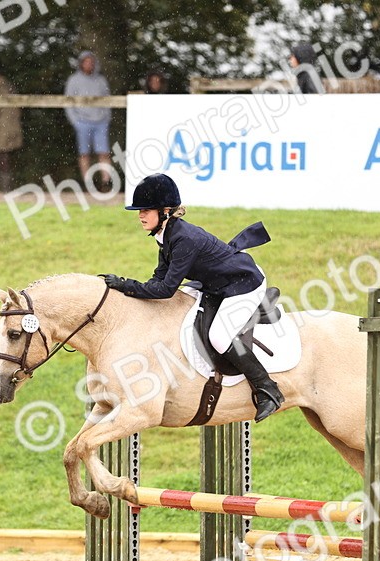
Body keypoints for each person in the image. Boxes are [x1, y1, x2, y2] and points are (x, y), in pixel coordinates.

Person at [99, 174, 285, 422]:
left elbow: (165, 290)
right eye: (139, 210)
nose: (140, 215)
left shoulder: (183, 238)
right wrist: (130, 291)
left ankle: (267, 390)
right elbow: (159, 278)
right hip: (216, 285)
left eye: (146, 210)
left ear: (165, 211)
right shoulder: (166, 235)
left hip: (243, 284)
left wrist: (125, 285)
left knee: (219, 336)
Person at [64, 50, 112, 189]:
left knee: (103, 152)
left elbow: (108, 100)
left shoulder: (101, 80)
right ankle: (87, 183)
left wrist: (106, 118)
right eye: (86, 62)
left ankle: (106, 182)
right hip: (82, 122)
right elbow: (68, 102)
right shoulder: (74, 80)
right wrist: (75, 121)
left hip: (101, 122)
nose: (89, 64)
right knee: (84, 153)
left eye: (91, 62)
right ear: (81, 64)